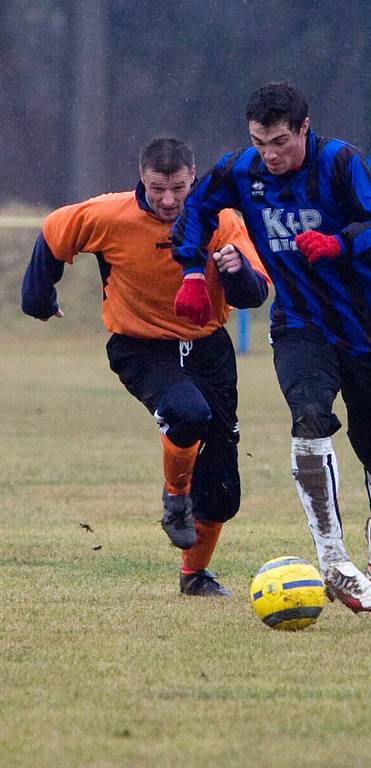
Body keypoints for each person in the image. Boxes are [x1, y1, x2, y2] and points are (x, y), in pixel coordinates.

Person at [172, 83, 371, 613]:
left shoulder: (342, 163)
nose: (270, 154)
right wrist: (193, 270)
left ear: (304, 129)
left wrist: (342, 243)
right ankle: (334, 562)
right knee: (309, 417)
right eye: (260, 141)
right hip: (300, 325)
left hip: (370, 329)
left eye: (281, 141)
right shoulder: (242, 170)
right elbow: (194, 210)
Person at [21, 137, 269, 597]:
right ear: (142, 179)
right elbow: (55, 231)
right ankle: (175, 497)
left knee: (222, 485)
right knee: (187, 413)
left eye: (177, 187)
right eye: (158, 188)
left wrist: (236, 270)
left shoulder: (223, 219)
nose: (169, 199)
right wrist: (38, 297)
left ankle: (194, 575)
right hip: (139, 347)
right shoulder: (107, 215)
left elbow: (254, 295)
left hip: (208, 347)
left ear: (193, 178)